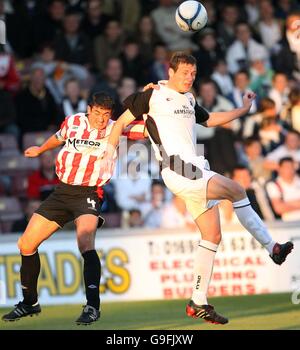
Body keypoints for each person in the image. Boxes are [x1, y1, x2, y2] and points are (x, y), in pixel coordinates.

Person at [102, 52, 294, 325]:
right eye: (184, 73)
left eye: (193, 74)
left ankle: (198, 301)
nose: (189, 78)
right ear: (170, 72)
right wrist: (109, 153)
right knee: (237, 190)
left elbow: (210, 118)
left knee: (213, 235)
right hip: (178, 168)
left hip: (195, 169)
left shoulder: (190, 99)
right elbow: (120, 121)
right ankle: (272, 247)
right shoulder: (153, 94)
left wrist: (242, 110)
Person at [1, 92, 145, 325]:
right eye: (97, 113)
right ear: (89, 109)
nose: (100, 119)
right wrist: (40, 150)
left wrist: (150, 98)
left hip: (89, 192)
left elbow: (145, 129)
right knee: (26, 244)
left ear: (111, 115)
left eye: (106, 114)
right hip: (62, 192)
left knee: (85, 242)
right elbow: (59, 137)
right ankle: (29, 303)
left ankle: (92, 306)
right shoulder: (74, 121)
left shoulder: (116, 128)